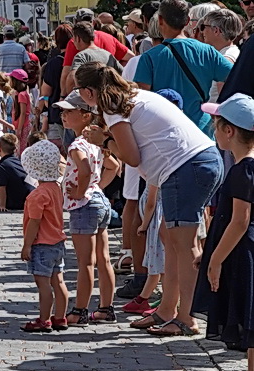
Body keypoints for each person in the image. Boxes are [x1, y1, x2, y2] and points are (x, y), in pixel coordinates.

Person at [76, 61, 221, 336]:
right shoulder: (130, 97)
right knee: (169, 237)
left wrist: (102, 141)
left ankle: (187, 318)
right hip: (196, 162)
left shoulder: (114, 108)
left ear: (88, 92)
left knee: (184, 245)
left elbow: (132, 158)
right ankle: (168, 310)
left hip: (186, 168)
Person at [199, 95, 254, 371]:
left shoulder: (241, 170)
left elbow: (239, 220)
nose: (213, 129)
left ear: (229, 130)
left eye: (216, 124)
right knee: (250, 336)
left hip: (243, 253)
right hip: (244, 250)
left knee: (251, 332)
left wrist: (215, 260)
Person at [59, 93, 118, 325]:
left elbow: (83, 169)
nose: (63, 116)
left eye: (69, 112)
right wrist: (97, 188)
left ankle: (80, 310)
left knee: (85, 262)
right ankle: (106, 308)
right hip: (99, 202)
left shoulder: (76, 144)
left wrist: (83, 191)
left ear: (85, 115)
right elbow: (113, 166)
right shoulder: (95, 142)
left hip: (84, 206)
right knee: (103, 259)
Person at [137, 0, 232, 132]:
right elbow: (235, 78)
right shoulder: (207, 51)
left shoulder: (149, 58)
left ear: (160, 20)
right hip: (201, 128)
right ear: (187, 21)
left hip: (166, 130)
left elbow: (142, 99)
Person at [17, 140, 69, 332]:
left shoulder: (37, 195)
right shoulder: (56, 188)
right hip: (58, 242)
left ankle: (44, 319)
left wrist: (27, 245)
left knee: (43, 284)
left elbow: (35, 222)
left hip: (42, 243)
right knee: (59, 281)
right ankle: (60, 317)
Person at [0, 134, 30, 211]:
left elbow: (2, 187)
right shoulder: (19, 161)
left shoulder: (1, 165)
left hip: (17, 201)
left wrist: (1, 205)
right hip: (28, 198)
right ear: (16, 149)